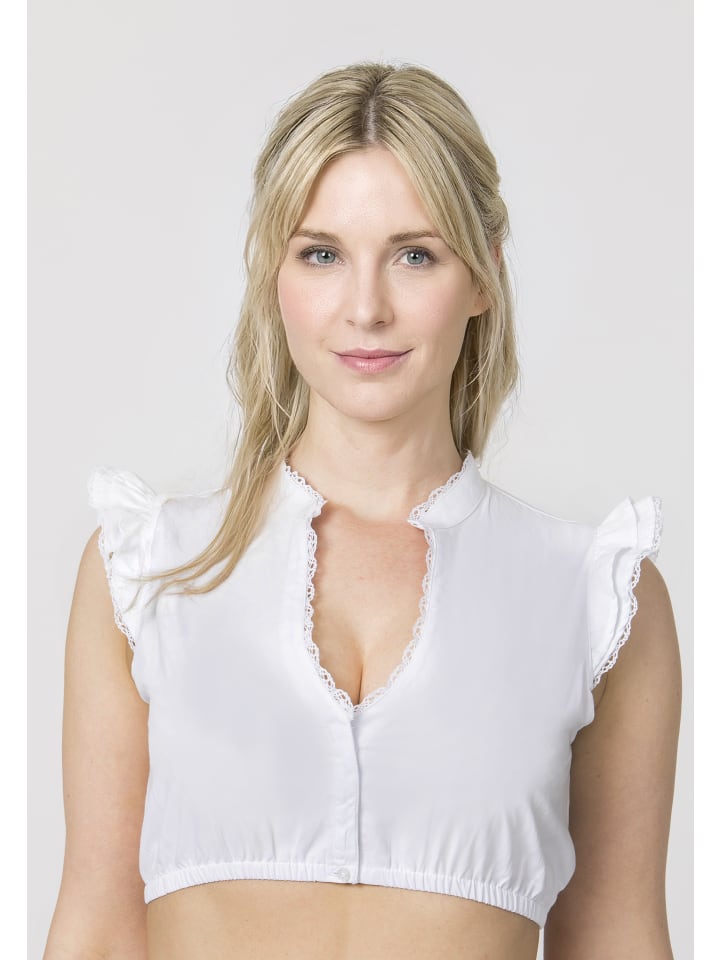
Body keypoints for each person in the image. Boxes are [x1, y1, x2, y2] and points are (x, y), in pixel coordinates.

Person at [43, 61, 681, 960]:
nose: (367, 308)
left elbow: (619, 939)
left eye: (415, 254)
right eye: (322, 254)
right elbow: (98, 933)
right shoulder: (150, 571)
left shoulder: (597, 598)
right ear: (274, 272)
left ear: (484, 275)